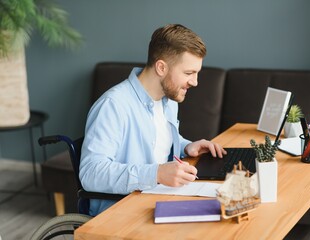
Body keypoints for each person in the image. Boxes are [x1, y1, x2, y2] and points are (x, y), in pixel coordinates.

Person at [79, 24, 227, 216]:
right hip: (121, 211)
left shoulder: (169, 100)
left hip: (158, 198)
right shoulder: (113, 105)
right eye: (189, 73)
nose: (195, 82)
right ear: (161, 67)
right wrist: (156, 174)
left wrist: (186, 146)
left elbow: (157, 142)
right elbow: (91, 173)